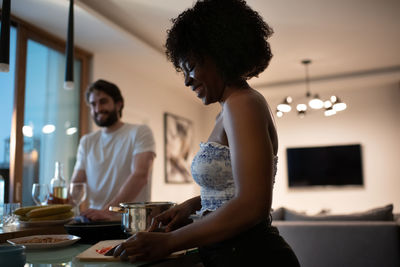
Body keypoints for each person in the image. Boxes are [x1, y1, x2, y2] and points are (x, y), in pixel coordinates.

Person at [113, 0, 300, 266]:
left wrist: (169, 242)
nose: (187, 80)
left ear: (220, 54)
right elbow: (236, 189)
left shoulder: (242, 103)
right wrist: (192, 205)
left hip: (251, 255)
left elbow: (252, 204)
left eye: (190, 66)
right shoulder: (229, 108)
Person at [71, 79, 156, 221]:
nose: (97, 109)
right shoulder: (87, 141)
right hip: (96, 221)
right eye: (93, 104)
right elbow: (77, 183)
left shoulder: (140, 132)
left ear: (118, 104)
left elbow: (140, 175)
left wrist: (109, 212)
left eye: (103, 101)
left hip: (132, 222)